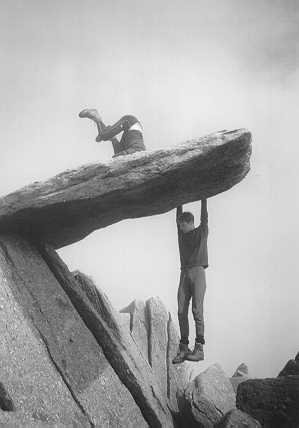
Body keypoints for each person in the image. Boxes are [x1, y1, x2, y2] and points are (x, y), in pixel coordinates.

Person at [172, 199, 209, 364]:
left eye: (182, 225)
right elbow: (177, 217)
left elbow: (204, 217)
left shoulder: (202, 231)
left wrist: (203, 198)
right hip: (184, 274)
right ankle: (184, 347)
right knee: (181, 310)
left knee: (196, 310)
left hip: (198, 272)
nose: (179, 228)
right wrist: (178, 198)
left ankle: (199, 349)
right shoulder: (181, 235)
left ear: (189, 223)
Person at [79, 108, 146, 157]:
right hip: (130, 122)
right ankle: (96, 117)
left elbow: (118, 154)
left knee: (103, 136)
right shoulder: (138, 149)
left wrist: (113, 140)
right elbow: (138, 149)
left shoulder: (124, 150)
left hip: (130, 128)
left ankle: (98, 121)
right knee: (103, 136)